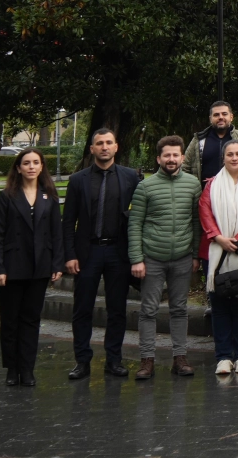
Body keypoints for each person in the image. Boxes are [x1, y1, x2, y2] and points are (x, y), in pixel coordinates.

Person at [61, 127, 140, 380]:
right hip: (87, 252)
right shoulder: (78, 180)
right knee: (82, 309)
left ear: (116, 147)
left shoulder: (131, 178)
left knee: (117, 309)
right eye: (99, 143)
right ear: (92, 148)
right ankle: (82, 361)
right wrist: (70, 255)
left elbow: (140, 217)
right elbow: (68, 221)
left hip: (118, 252)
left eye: (109, 142)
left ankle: (114, 360)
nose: (104, 147)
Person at [127, 136, 201, 380]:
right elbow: (135, 224)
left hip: (182, 257)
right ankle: (147, 360)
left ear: (182, 157)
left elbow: (196, 221)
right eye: (166, 155)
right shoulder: (145, 187)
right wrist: (137, 259)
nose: (171, 159)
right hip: (152, 259)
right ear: (158, 158)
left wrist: (195, 254)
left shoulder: (192, 184)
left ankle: (180, 358)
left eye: (176, 155)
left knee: (179, 309)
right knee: (148, 311)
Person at [0, 148, 63, 386]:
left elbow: (56, 234)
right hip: (11, 269)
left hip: (39, 269)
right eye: (26, 163)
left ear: (42, 167)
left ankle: (28, 369)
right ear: (18, 168)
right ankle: (12, 369)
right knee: (10, 320)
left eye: (36, 162)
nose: (31, 166)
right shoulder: (7, 196)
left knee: (31, 320)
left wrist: (56, 264)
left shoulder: (50, 197)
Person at [197, 139, 238, 375]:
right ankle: (223, 356)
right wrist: (219, 237)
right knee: (220, 306)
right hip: (216, 252)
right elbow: (204, 212)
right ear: (223, 158)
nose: (234, 158)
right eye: (230, 154)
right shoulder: (212, 185)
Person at [183, 101, 238, 182]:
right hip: (205, 192)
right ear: (210, 119)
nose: (220, 117)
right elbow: (185, 167)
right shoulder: (199, 140)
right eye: (216, 115)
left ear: (231, 117)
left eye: (224, 114)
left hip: (237, 191)